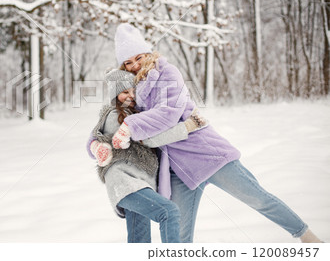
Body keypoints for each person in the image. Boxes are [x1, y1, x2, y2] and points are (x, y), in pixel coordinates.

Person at [89, 23, 322, 243]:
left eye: (139, 57)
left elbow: (167, 113)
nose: (135, 64)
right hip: (178, 171)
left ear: (148, 54)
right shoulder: (133, 94)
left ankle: (306, 235)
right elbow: (137, 134)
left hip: (207, 155)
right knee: (178, 237)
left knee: (258, 198)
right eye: (128, 62)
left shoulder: (168, 74)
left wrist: (131, 127)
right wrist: (98, 144)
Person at [88, 68, 207, 243]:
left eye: (134, 91)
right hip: (126, 183)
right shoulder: (115, 116)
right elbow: (150, 139)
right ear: (114, 95)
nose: (131, 96)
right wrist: (188, 127)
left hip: (140, 184)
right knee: (169, 212)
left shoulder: (137, 114)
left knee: (139, 239)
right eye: (124, 92)